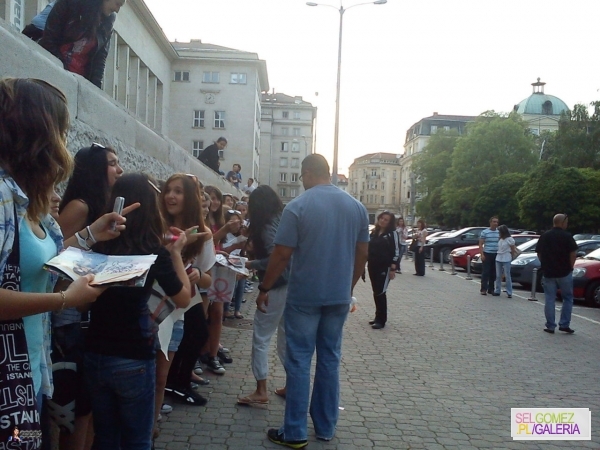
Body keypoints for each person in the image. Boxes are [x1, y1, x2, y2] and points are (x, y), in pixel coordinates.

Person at [0, 77, 132, 447]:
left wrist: (92, 237)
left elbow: (40, 265)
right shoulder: (2, 197)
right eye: (61, 130)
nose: (64, 143)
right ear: (38, 133)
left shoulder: (26, 197)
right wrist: (64, 300)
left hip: (29, 373)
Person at [258, 154, 369, 447]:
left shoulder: (297, 206)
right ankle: (325, 426)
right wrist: (348, 285)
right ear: (328, 173)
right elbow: (362, 254)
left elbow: (281, 254)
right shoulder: (357, 208)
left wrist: (264, 287)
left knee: (299, 361)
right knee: (330, 359)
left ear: (307, 173)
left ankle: (294, 432)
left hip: (304, 296)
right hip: (338, 297)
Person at [84, 173, 192, 449]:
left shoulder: (99, 243)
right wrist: (177, 253)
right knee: (137, 439)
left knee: (105, 437)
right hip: (133, 354)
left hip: (95, 352)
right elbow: (183, 297)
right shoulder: (154, 250)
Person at [53, 143, 122, 450]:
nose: (118, 170)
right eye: (111, 163)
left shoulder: (101, 205)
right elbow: (55, 258)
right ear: (95, 170)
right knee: (75, 409)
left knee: (88, 406)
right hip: (66, 318)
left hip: (86, 314)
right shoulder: (80, 206)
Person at [237, 186, 289, 406]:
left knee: (261, 337)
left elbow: (274, 259)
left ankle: (261, 390)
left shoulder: (267, 226)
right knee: (286, 339)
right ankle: (293, 384)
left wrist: (250, 263)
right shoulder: (282, 218)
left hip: (276, 284)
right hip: (292, 285)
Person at [39, 0, 126, 88]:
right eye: (117, 4)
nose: (117, 10)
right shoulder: (70, 4)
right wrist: (62, 70)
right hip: (52, 70)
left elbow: (100, 59)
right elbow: (49, 40)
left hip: (79, 83)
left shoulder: (108, 21)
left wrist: (95, 90)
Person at [536, 214, 577, 334]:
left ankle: (550, 325)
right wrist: (570, 267)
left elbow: (539, 253)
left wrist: (545, 264)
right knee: (568, 298)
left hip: (548, 272)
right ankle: (564, 324)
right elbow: (573, 253)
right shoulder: (567, 236)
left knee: (549, 298)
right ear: (562, 222)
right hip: (564, 272)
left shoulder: (545, 236)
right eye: (567, 222)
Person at [367, 211, 399, 329]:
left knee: (381, 292)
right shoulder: (374, 232)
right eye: (382, 218)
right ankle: (377, 316)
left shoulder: (392, 234)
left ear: (390, 223)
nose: (383, 221)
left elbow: (396, 250)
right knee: (376, 291)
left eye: (386, 220)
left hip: (384, 267)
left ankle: (381, 320)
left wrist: (393, 267)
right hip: (372, 265)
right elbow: (368, 249)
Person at [478, 216, 499, 295]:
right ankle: (483, 289)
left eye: (497, 222)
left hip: (496, 254)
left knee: (493, 272)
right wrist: (482, 254)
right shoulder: (485, 232)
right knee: (486, 272)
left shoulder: (499, 232)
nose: (495, 223)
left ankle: (491, 289)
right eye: (494, 222)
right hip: (487, 253)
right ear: (490, 223)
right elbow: (481, 244)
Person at [494, 225, 516, 298]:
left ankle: (509, 291)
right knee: (498, 275)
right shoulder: (500, 239)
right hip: (499, 257)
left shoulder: (510, 239)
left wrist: (511, 257)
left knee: (507, 275)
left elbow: (513, 249)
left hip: (506, 257)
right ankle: (497, 290)